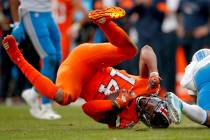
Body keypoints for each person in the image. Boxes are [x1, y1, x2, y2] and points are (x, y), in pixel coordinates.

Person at [2, 7, 179, 128]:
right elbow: (147, 51)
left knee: (63, 98)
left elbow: (88, 109)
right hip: (90, 59)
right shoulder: (147, 86)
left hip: (76, 76)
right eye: (156, 103)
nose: (151, 103)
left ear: (146, 117)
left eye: (151, 109)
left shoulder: (127, 119)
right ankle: (103, 21)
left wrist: (115, 104)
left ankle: (18, 58)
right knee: (130, 50)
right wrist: (154, 72)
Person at [10, 0, 62, 120]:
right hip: (32, 12)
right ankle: (46, 106)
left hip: (48, 13)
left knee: (57, 58)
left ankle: (33, 93)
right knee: (49, 57)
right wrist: (17, 23)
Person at [166, 48, 210, 127]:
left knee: (207, 115)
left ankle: (181, 104)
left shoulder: (192, 67)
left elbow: (195, 100)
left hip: (202, 75)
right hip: (203, 76)